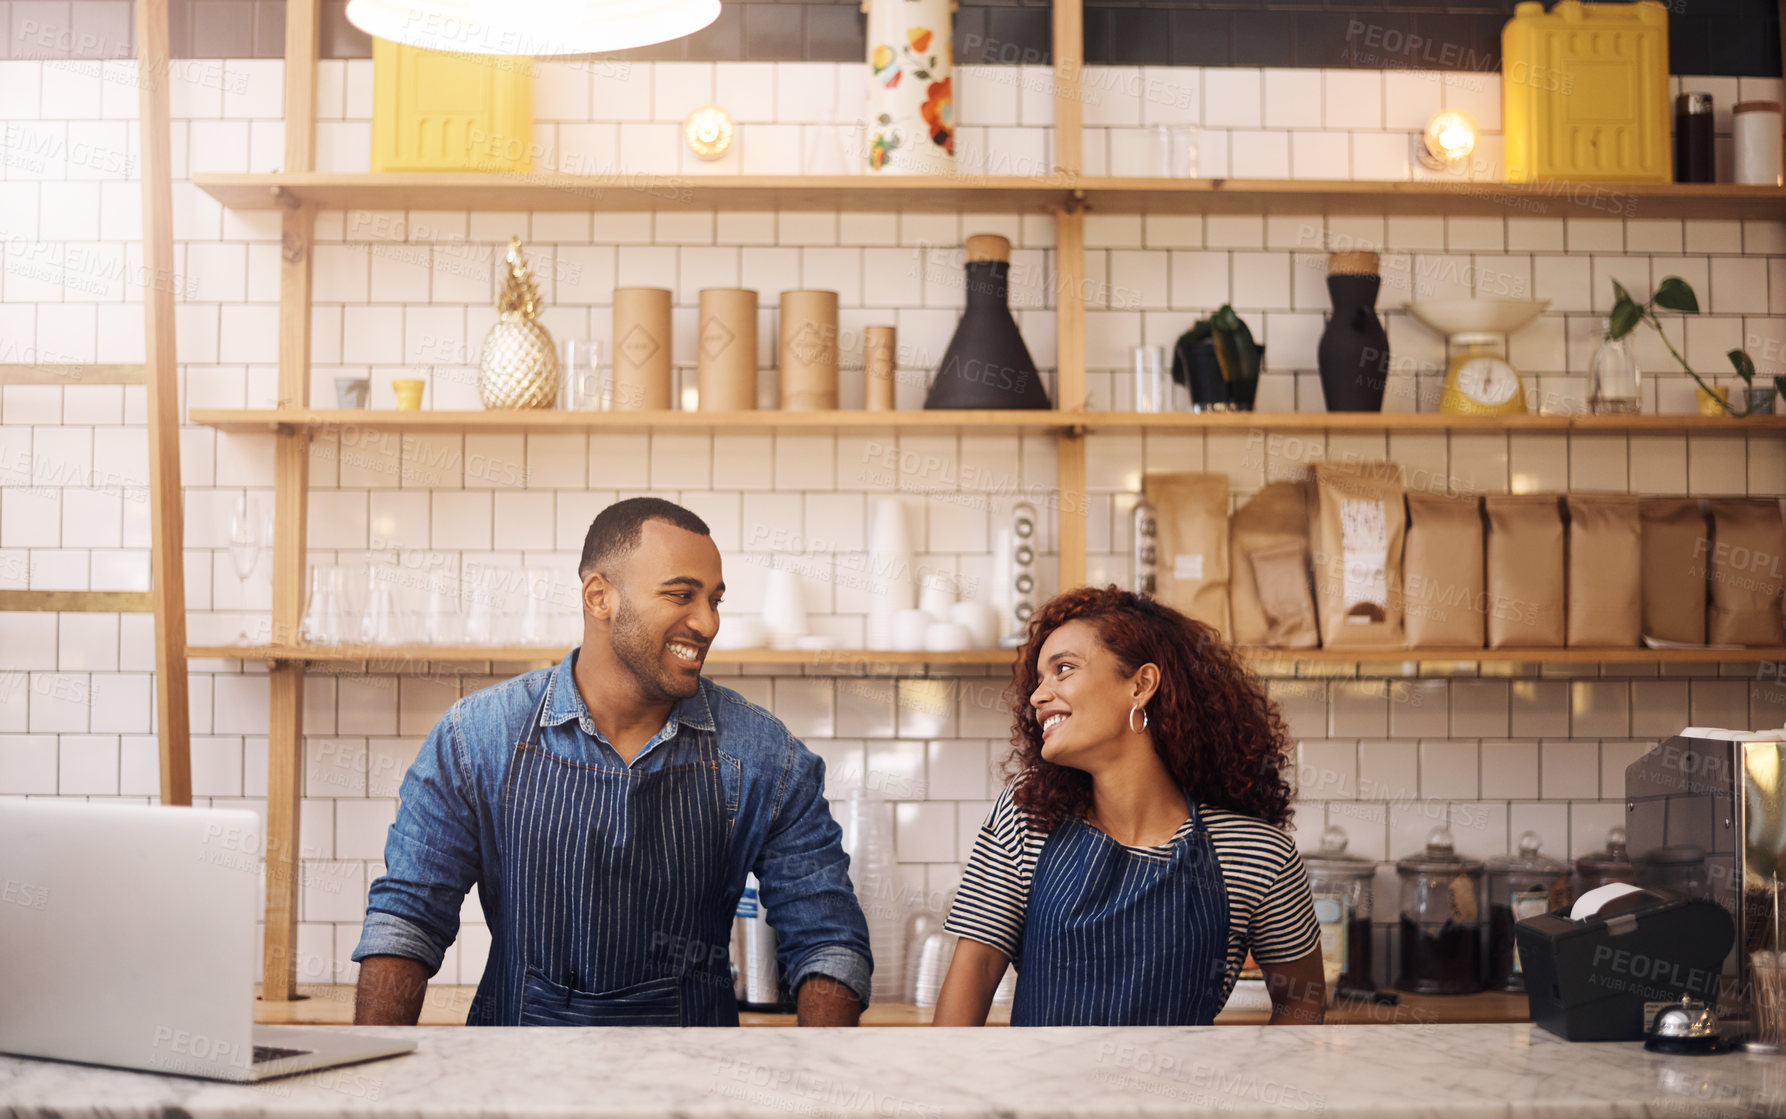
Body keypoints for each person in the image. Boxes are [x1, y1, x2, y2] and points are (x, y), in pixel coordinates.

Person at [351, 497, 871, 1027]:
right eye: (681, 595)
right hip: (513, 1086)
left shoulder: (767, 756)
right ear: (599, 597)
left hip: (691, 1089)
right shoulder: (476, 738)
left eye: (714, 600)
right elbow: (407, 922)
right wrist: (372, 1087)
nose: (708, 622)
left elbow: (828, 942)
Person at [933, 586, 1324, 1027]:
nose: (1039, 695)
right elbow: (976, 971)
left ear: (1141, 685)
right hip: (1036, 1096)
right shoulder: (1026, 818)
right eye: (1039, 679)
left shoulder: (1258, 854)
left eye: (1063, 669)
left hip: (1183, 1096)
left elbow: (1302, 1000)